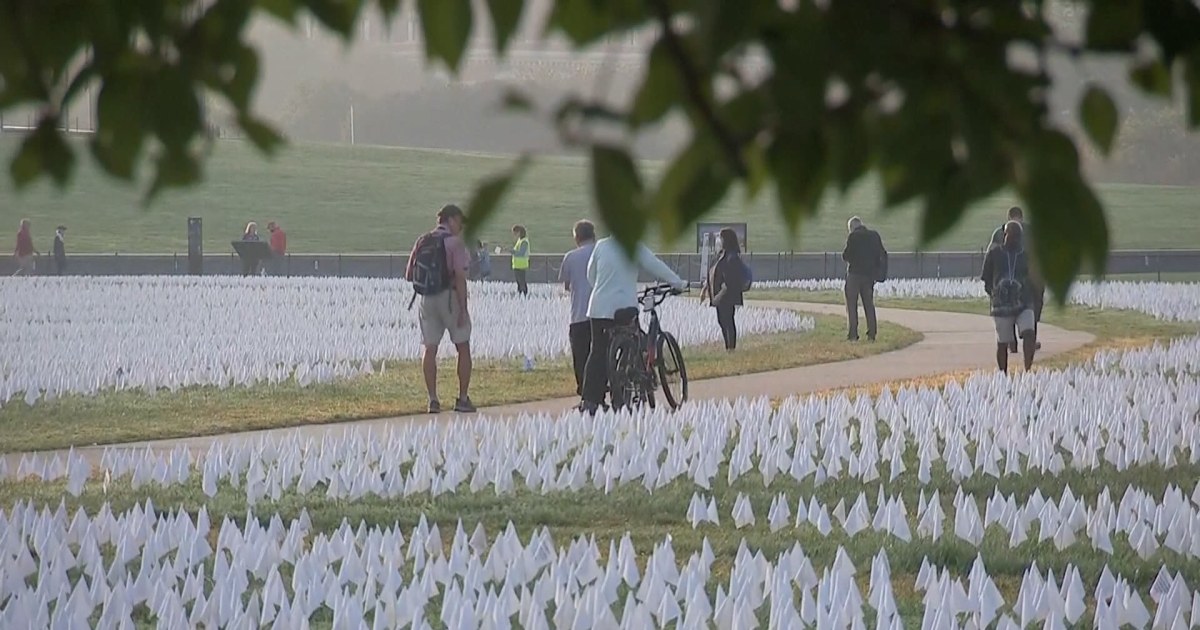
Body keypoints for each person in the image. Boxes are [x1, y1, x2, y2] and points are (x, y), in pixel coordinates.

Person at [578, 237, 687, 415]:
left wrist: (603, 287)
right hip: (624, 305)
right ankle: (628, 382)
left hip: (599, 307)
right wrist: (678, 283)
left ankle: (590, 400)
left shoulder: (601, 245)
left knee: (597, 352)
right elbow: (655, 265)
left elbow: (591, 275)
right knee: (634, 341)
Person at [406, 204, 475, 414]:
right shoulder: (455, 243)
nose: (461, 227)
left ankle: (433, 399)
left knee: (429, 348)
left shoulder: (422, 240)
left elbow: (409, 274)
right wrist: (463, 308)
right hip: (450, 297)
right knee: (462, 346)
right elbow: (461, 277)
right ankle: (462, 399)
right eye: (460, 222)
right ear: (451, 219)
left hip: (426, 299)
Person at [982, 220, 1039, 374]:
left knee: (1029, 333)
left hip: (1024, 302)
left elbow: (1035, 280)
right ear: (1004, 235)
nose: (1013, 239)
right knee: (1002, 343)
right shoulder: (994, 254)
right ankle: (1003, 374)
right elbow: (986, 278)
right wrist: (995, 295)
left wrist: (1033, 301)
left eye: (1016, 236)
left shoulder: (1026, 256)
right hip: (1001, 305)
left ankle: (1028, 369)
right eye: (1010, 235)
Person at [989, 206, 1044, 351]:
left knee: (1030, 310)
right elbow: (992, 255)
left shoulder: (1030, 232)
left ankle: (1029, 341)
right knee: (1011, 311)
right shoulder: (999, 233)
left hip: (1026, 276)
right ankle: (1012, 342)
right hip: (1008, 279)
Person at [559, 220, 597, 396]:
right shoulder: (600, 253)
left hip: (579, 314)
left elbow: (566, 285)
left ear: (577, 238)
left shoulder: (570, 257)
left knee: (581, 356)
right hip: (601, 313)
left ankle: (585, 392)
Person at [841, 216, 888, 342]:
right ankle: (871, 334)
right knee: (869, 304)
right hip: (869, 276)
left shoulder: (853, 237)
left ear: (851, 228)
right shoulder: (874, 236)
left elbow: (846, 256)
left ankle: (853, 334)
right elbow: (882, 254)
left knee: (851, 305)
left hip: (854, 275)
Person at [704, 228, 748, 351]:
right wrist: (706, 288)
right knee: (722, 321)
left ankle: (731, 348)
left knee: (728, 321)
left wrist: (720, 295)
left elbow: (730, 279)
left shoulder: (732, 256)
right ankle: (728, 347)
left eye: (720, 237)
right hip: (720, 295)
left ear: (726, 240)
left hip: (726, 295)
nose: (718, 240)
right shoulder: (721, 254)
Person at [511, 225, 530, 296]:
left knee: (522, 282)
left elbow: (521, 253)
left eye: (515, 233)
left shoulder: (524, 241)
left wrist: (512, 251)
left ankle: (524, 295)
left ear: (519, 232)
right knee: (519, 282)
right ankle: (520, 294)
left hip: (521, 265)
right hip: (517, 265)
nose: (515, 235)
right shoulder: (520, 240)